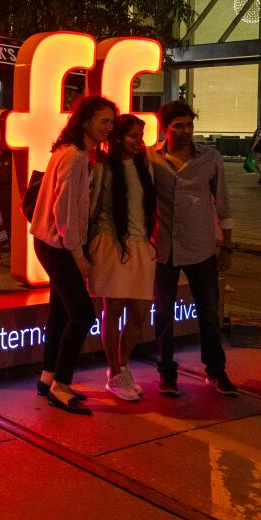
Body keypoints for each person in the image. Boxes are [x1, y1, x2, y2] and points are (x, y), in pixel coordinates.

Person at [31, 95, 117, 415]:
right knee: (82, 316)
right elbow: (64, 208)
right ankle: (61, 386)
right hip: (59, 245)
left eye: (111, 122)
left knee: (60, 312)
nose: (109, 128)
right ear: (85, 122)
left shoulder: (71, 153)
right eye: (103, 121)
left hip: (50, 242)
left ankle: (47, 377)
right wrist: (77, 252)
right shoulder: (77, 157)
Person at [149, 100, 238, 396]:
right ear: (165, 128)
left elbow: (223, 202)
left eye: (189, 125)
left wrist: (227, 245)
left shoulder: (210, 158)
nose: (186, 131)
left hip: (201, 247)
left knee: (208, 313)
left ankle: (215, 370)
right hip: (163, 248)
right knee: (163, 313)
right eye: (179, 126)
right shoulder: (150, 158)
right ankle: (166, 371)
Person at [87, 114, 157, 402]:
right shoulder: (103, 167)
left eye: (140, 135)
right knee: (112, 310)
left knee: (139, 313)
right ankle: (114, 371)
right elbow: (91, 207)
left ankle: (123, 365)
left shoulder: (145, 165)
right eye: (131, 135)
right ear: (117, 137)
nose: (137, 141)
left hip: (141, 245)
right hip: (111, 243)